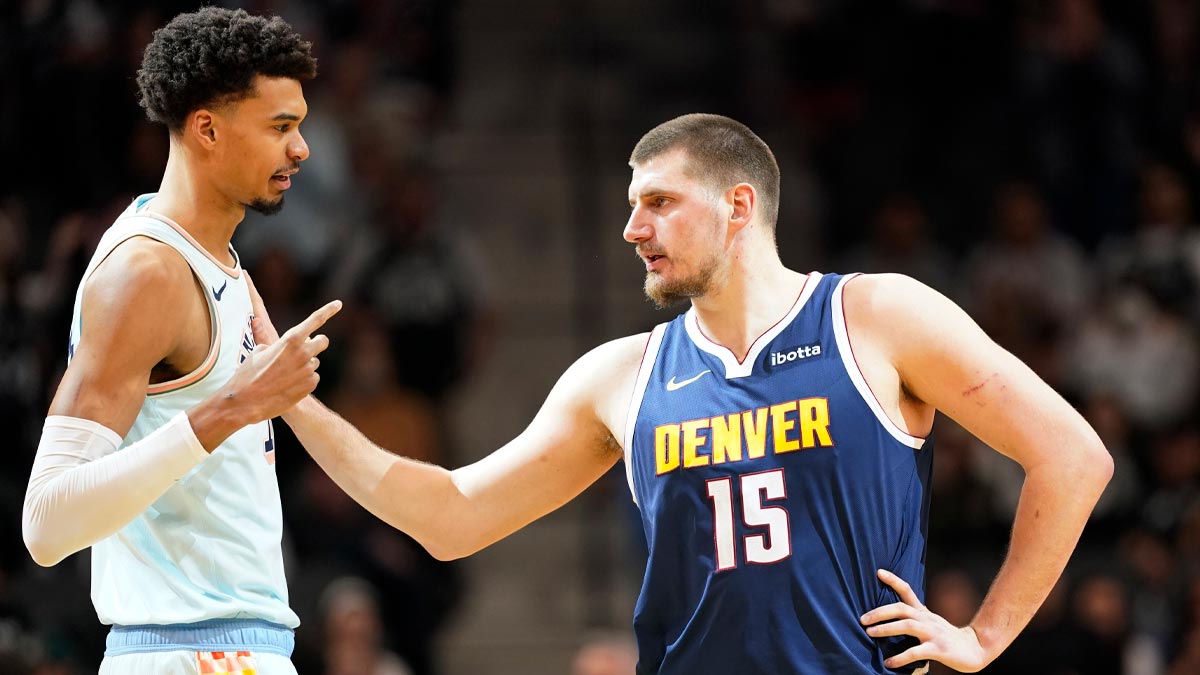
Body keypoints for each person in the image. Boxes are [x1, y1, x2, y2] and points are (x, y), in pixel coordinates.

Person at [251, 114, 1113, 674]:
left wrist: (987, 633)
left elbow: (1073, 456)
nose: (633, 229)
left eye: (658, 203)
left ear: (739, 206)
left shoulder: (877, 315)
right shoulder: (621, 376)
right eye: (632, 206)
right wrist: (291, 401)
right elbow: (447, 515)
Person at [21, 8, 339, 674]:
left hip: (235, 646)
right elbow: (46, 523)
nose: (301, 148)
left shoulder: (218, 262)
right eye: (281, 127)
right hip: (186, 649)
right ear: (207, 129)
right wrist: (230, 409)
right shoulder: (147, 273)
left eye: (300, 125)